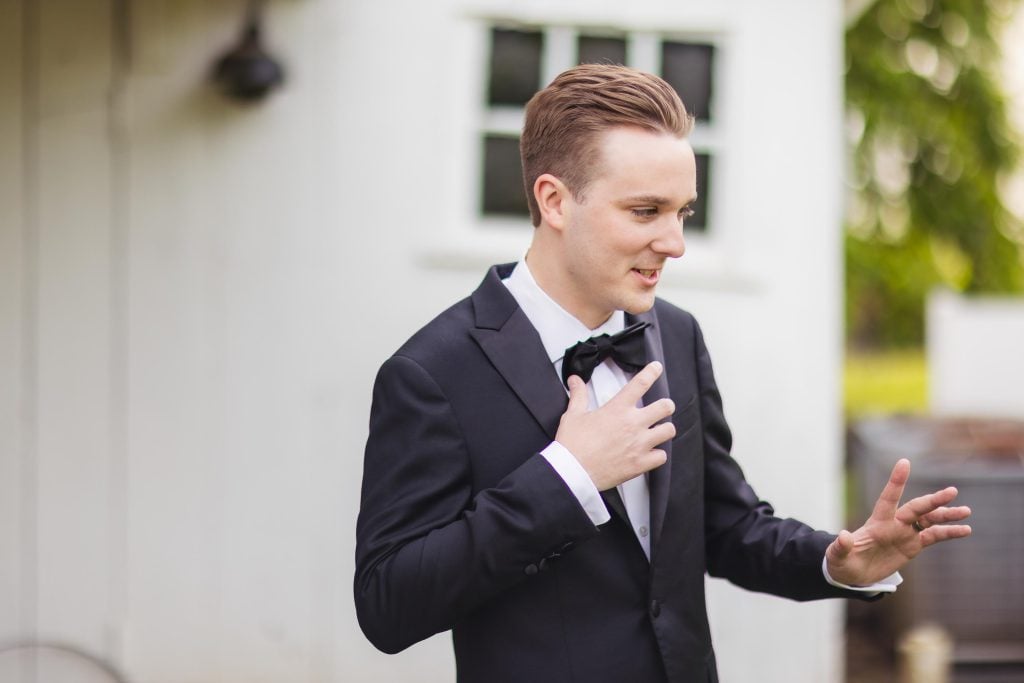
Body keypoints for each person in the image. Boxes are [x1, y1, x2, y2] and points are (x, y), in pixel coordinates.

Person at [353, 64, 971, 682]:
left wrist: (837, 563)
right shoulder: (431, 373)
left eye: (682, 212)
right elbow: (388, 604)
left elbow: (725, 525)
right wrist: (568, 476)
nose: (675, 243)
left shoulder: (675, 334)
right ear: (554, 200)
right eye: (646, 211)